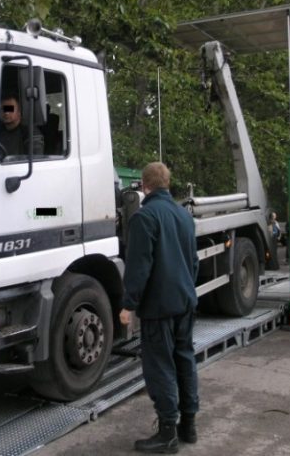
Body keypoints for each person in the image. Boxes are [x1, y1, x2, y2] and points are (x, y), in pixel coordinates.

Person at [119, 162, 200, 454]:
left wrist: (128, 305)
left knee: (160, 368)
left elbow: (139, 267)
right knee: (184, 361)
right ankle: (188, 426)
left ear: (144, 185)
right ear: (167, 184)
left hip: (159, 308)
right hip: (184, 302)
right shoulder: (183, 216)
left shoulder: (144, 218)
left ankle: (167, 433)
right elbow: (193, 262)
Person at [0, 93, 43, 157]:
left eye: (10, 109)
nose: (6, 113)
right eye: (3, 109)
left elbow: (35, 160)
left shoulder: (31, 133)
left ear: (19, 111)